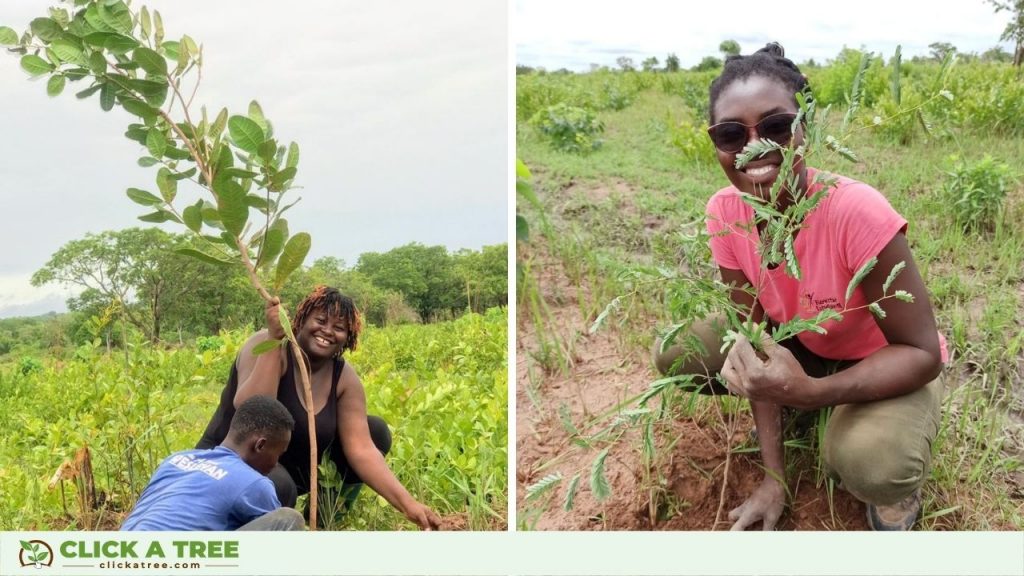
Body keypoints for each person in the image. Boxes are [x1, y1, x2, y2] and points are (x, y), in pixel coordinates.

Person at [653, 42, 947, 531]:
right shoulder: (725, 213)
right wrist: (774, 477)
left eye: (775, 127)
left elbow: (920, 353)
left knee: (871, 462)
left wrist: (812, 393)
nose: (755, 147)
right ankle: (803, 400)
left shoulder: (856, 211)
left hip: (889, 358)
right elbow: (754, 340)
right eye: (731, 134)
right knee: (677, 350)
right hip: (807, 344)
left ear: (805, 127)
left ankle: (891, 473)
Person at [197, 285, 440, 530]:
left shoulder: (343, 377)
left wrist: (409, 505)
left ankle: (326, 520)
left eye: (339, 328)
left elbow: (362, 450)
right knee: (277, 484)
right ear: (301, 320)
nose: (327, 331)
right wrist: (274, 339)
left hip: (288, 466)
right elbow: (252, 410)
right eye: (321, 320)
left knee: (375, 431)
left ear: (349, 337)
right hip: (233, 462)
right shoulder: (266, 344)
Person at [122, 395, 304, 531]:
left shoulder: (176, 460)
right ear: (260, 445)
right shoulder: (254, 484)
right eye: (278, 453)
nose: (276, 463)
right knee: (287, 519)